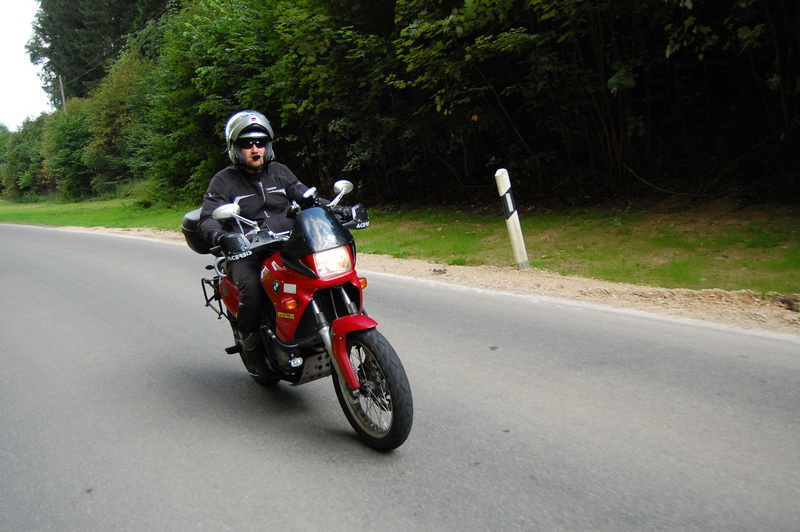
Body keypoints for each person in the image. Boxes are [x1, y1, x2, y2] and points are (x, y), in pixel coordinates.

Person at [198, 110, 340, 377]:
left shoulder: (280, 171)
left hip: (286, 243)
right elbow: (207, 219)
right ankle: (251, 346)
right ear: (235, 148)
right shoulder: (223, 180)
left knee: (322, 274)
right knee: (252, 290)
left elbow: (305, 197)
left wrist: (333, 209)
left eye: (260, 143)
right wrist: (223, 237)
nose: (255, 149)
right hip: (245, 251)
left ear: (268, 145)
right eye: (247, 144)